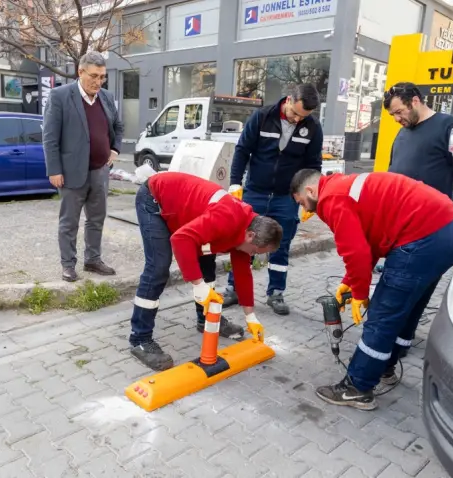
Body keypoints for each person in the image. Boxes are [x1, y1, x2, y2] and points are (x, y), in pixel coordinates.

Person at [290, 169, 453, 410]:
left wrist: (361, 294)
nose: (307, 211)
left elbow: (356, 252)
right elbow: (369, 240)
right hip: (449, 230)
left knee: (382, 315)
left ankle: (358, 387)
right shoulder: (344, 186)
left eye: (303, 203)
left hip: (422, 236)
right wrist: (349, 281)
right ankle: (386, 367)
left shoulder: (331, 198)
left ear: (311, 190)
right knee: (410, 305)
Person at [129, 171, 283, 371]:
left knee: (207, 262)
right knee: (158, 267)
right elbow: (181, 239)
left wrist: (250, 316)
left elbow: (243, 273)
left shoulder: (246, 231)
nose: (253, 254)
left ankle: (206, 319)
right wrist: (197, 283)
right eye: (255, 251)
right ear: (251, 236)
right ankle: (140, 338)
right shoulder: (227, 218)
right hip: (155, 198)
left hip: (186, 211)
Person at [223, 84, 324, 315]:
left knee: (281, 244)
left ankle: (276, 292)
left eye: (304, 116)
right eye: (295, 113)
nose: (298, 119)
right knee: (245, 240)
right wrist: (235, 183)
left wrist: (311, 197)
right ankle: (235, 288)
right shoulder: (262, 117)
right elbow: (242, 151)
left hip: (285, 197)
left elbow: (313, 165)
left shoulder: (313, 127)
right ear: (288, 99)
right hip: (255, 192)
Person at [43, 51, 124, 282]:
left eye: (102, 77)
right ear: (80, 72)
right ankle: (68, 265)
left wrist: (115, 149)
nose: (98, 82)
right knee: (69, 222)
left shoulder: (106, 97)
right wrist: (54, 170)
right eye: (94, 76)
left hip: (100, 170)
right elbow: (50, 137)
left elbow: (118, 126)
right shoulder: (60, 96)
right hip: (70, 173)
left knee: (96, 219)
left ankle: (93, 259)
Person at [383, 82, 453, 224]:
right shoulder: (403, 132)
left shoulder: (448, 126)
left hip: (432, 220)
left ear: (415, 101)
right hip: (400, 218)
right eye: (393, 115)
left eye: (399, 112)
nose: (396, 119)